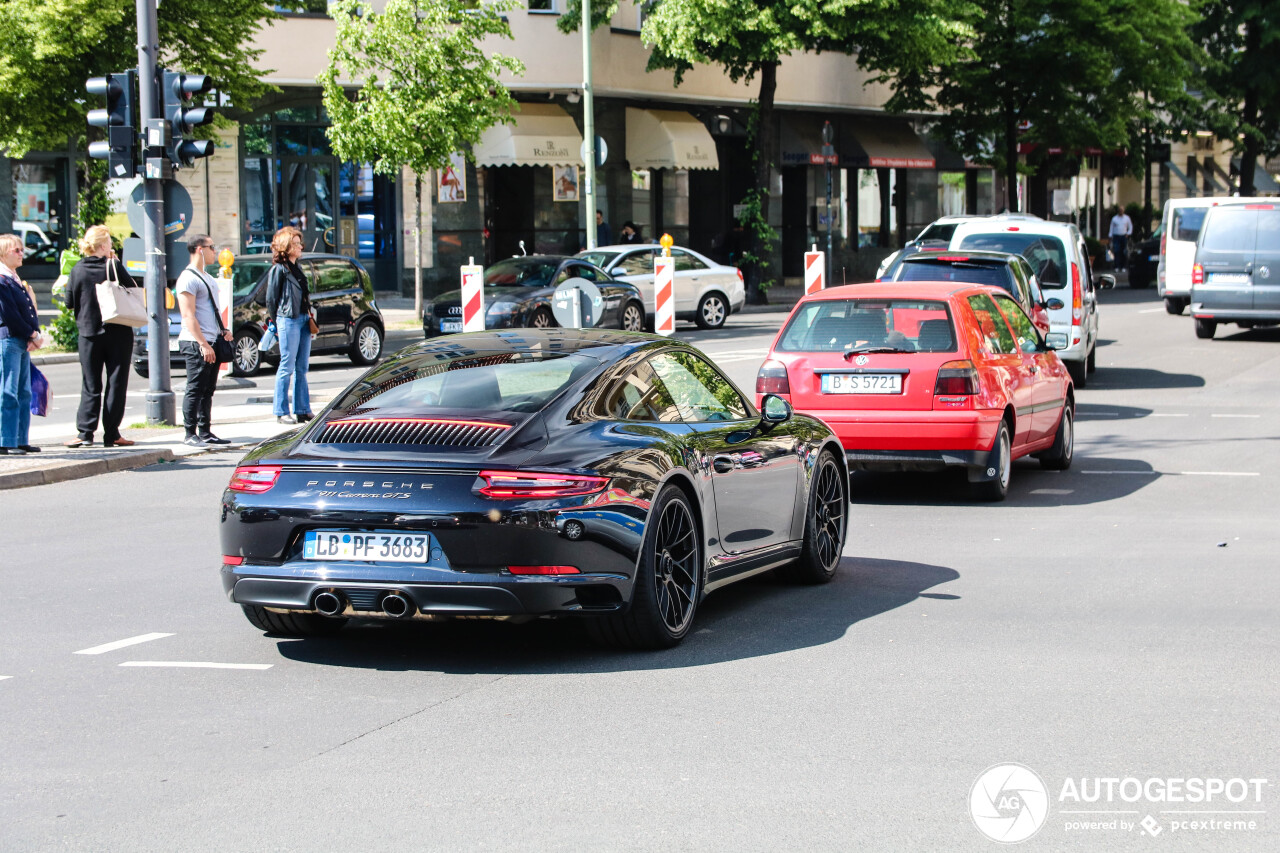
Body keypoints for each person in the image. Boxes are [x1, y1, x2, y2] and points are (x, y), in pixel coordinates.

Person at [63, 225, 140, 448]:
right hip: (117, 331)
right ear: (104, 245)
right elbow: (133, 290)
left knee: (90, 384)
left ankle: (85, 433)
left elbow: (69, 302)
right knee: (116, 383)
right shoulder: (112, 265)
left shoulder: (77, 269)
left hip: (88, 333)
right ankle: (112, 433)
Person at [175, 235, 232, 447]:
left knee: (208, 389)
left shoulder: (206, 277)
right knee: (195, 387)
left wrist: (222, 330)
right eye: (211, 247)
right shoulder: (188, 278)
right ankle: (190, 433)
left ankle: (205, 431)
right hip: (195, 342)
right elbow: (188, 315)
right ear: (199, 249)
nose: (214, 251)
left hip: (212, 339)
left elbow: (210, 311)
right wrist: (203, 344)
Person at [265, 226, 314, 425]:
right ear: (286, 247)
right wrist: (276, 320)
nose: (300, 246)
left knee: (302, 366)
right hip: (288, 319)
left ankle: (302, 409)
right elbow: (271, 298)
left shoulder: (298, 267)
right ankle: (281, 411)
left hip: (303, 319)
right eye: (295, 243)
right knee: (286, 366)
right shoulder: (279, 270)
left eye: (299, 242)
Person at [0, 234, 43, 455]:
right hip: (8, 339)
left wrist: (35, 333)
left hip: (21, 339)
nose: (21, 253)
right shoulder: (1, 279)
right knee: (9, 392)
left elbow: (28, 310)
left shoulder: (13, 278)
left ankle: (20, 438)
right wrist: (32, 334)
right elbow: (10, 315)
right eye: (15, 250)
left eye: (21, 249)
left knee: (24, 391)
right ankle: (6, 441)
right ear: (3, 253)